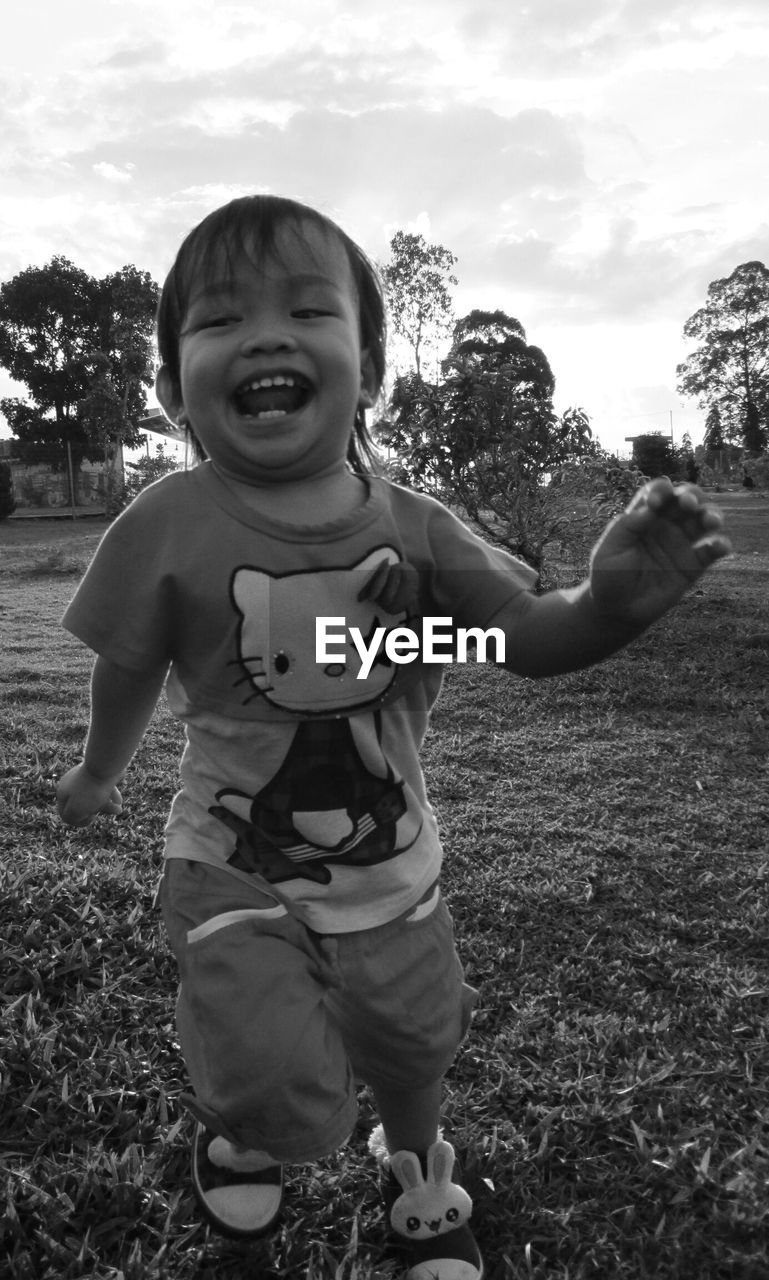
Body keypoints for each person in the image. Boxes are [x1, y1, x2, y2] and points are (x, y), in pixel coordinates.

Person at [56, 195, 731, 1280]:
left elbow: (516, 634)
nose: (266, 334)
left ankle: (419, 1170)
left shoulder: (414, 529)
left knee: (414, 1047)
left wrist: (604, 608)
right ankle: (248, 1125)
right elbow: (128, 658)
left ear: (364, 365)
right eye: (221, 319)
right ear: (172, 380)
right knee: (269, 1053)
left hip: (392, 866)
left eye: (306, 309)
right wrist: (98, 768)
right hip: (231, 859)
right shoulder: (169, 520)